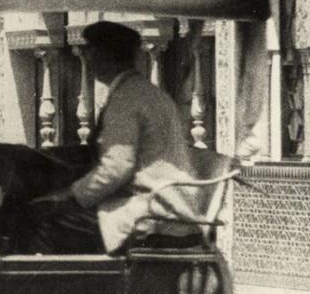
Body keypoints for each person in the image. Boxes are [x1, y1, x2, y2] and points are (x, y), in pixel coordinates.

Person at [29, 21, 198, 254]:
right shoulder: (147, 92)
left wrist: (69, 196)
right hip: (171, 204)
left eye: (90, 50)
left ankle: (73, 290)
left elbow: (117, 168)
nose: (86, 57)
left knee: (45, 221)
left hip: (149, 210)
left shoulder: (126, 99)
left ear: (103, 55)